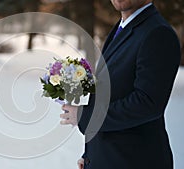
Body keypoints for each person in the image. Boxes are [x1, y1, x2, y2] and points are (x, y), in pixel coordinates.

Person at [60, 0, 181, 169]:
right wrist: (91, 156)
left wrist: (84, 116)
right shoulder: (122, 27)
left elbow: (147, 103)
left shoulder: (157, 33)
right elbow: (113, 94)